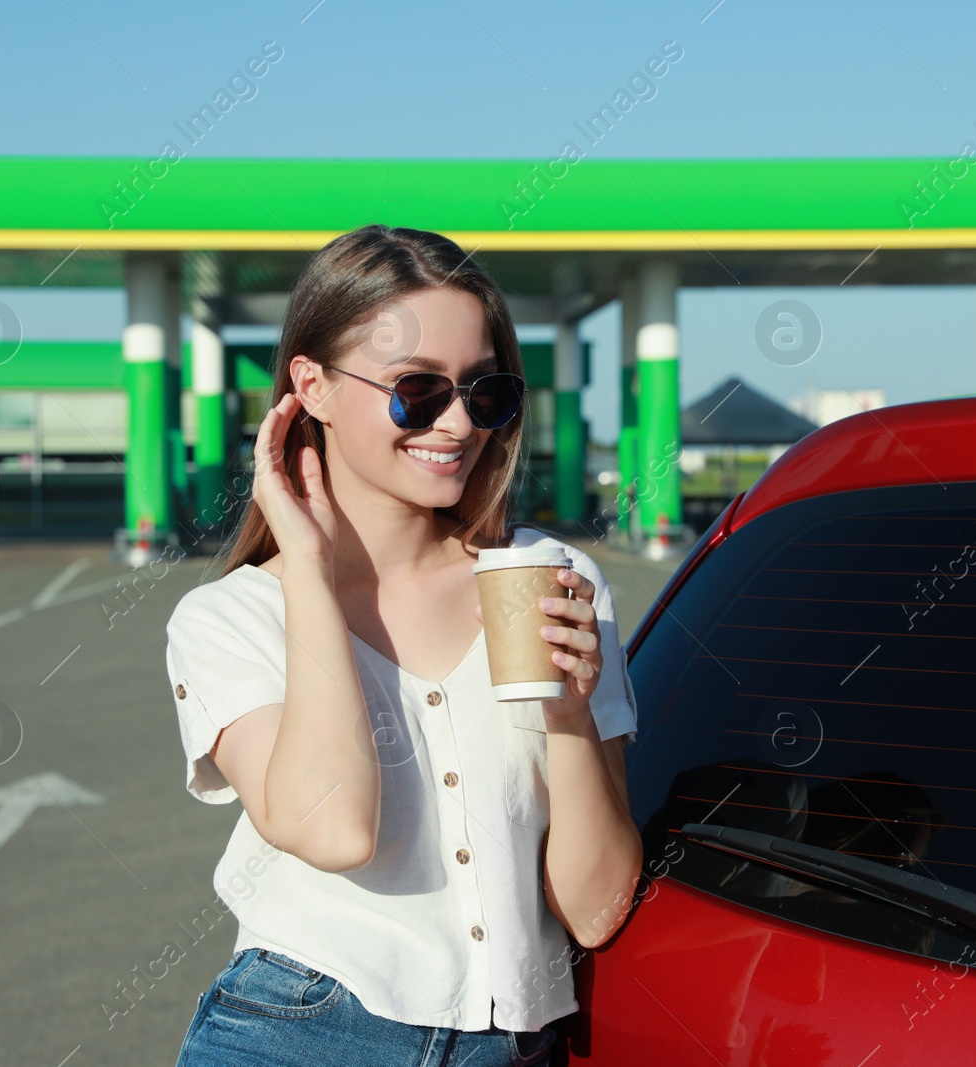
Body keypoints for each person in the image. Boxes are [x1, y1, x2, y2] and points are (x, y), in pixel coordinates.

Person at [166, 225, 643, 1067]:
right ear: (310, 385)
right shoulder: (230, 619)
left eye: (484, 393)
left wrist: (568, 712)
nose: (458, 424)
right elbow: (335, 828)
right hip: (296, 1033)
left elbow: (597, 907)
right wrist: (309, 573)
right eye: (416, 390)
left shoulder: (548, 579)